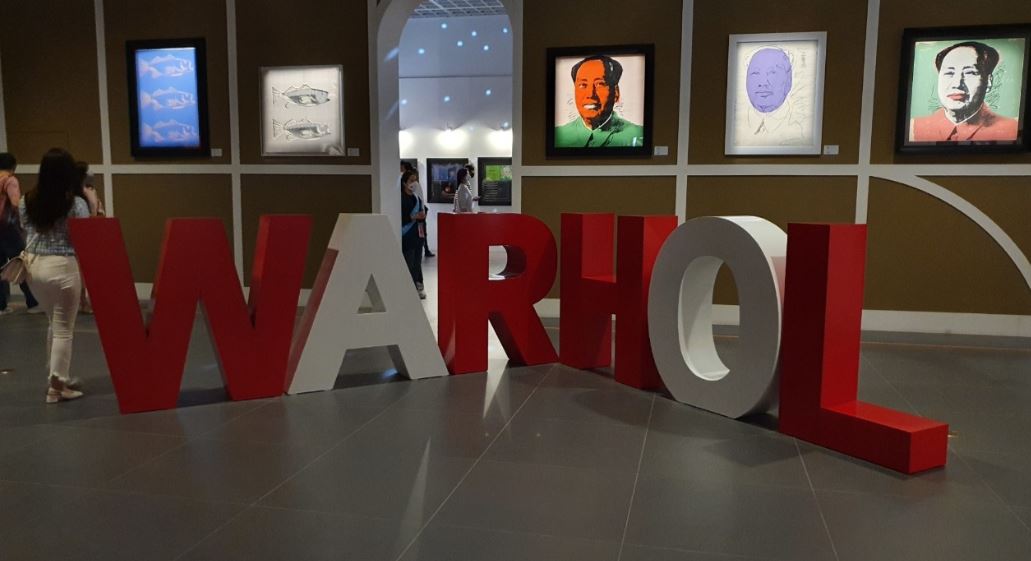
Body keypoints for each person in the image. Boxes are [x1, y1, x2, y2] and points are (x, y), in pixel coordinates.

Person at [21, 148, 91, 403]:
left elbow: (25, 228)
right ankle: (57, 388)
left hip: (34, 268)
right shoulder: (76, 203)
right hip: (63, 267)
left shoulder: (26, 200)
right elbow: (86, 235)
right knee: (64, 330)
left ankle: (57, 376)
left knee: (53, 322)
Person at [910, 41, 1019, 142]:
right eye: (949, 73)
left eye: (969, 73)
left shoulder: (1011, 129)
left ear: (989, 82)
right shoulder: (913, 129)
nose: (957, 84)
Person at [554, 54, 644, 148]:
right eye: (583, 85)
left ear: (616, 92)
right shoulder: (558, 136)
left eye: (600, 84)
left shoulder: (638, 135)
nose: (590, 94)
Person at [0, 152, 40, 315]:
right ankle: (32, 303)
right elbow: (16, 203)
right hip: (8, 229)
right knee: (22, 263)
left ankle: (1, 306)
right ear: (13, 166)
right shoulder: (10, 180)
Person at [400, 169, 427, 299]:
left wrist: (421, 216)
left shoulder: (417, 198)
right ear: (404, 183)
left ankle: (417, 286)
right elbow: (401, 217)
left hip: (418, 236)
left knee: (417, 264)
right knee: (409, 264)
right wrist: (415, 216)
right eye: (411, 180)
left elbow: (422, 214)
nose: (414, 183)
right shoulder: (401, 199)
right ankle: (408, 290)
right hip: (407, 237)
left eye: (415, 180)